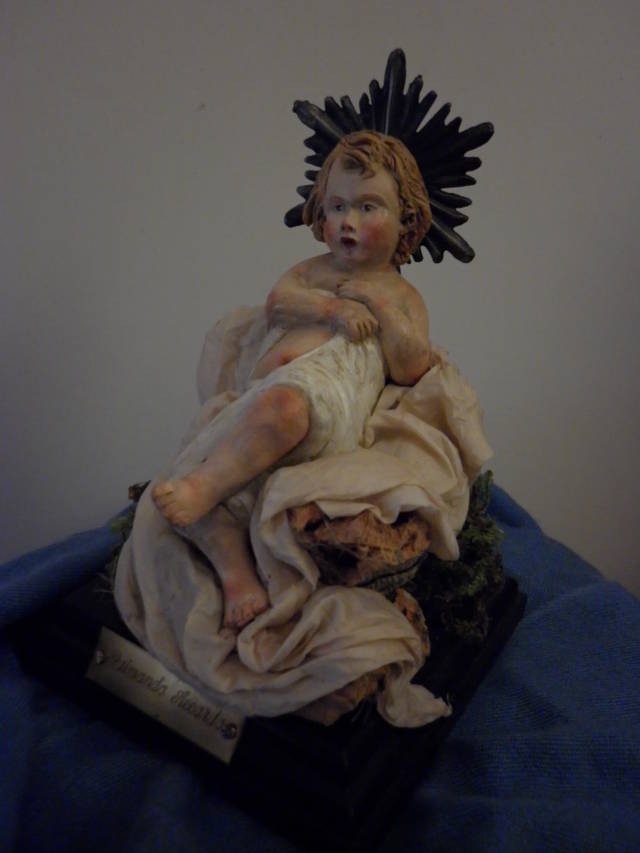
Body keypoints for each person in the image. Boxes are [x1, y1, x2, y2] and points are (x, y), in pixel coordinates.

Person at [151, 130, 432, 630]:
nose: (347, 221)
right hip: (266, 396)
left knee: (280, 414)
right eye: (337, 206)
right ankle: (236, 574)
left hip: (321, 407)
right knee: (222, 476)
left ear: (407, 220)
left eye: (368, 207)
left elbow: (412, 365)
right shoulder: (316, 271)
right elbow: (279, 302)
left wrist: (381, 307)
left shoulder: (401, 295)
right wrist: (332, 309)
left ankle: (203, 487)